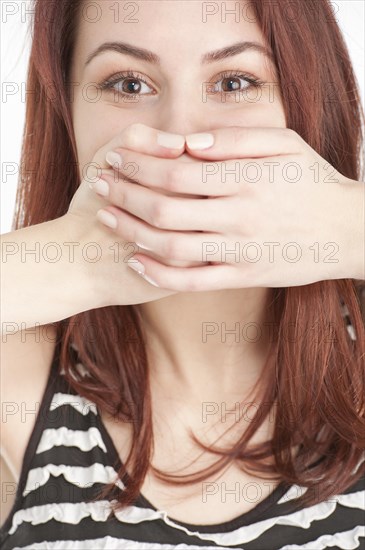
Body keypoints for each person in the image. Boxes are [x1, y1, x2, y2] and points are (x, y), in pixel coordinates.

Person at [1, 0, 364, 548]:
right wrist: (72, 261)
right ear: (68, 117)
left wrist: (351, 227)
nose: (182, 136)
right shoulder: (17, 376)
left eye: (235, 82)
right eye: (127, 84)